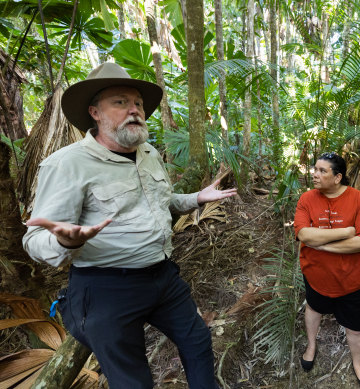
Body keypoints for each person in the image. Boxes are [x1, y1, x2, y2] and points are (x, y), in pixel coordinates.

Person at [23, 62, 237, 389]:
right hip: (106, 288)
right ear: (95, 112)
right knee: (131, 381)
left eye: (137, 102)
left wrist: (196, 198)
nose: (134, 110)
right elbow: (34, 240)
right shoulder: (67, 165)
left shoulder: (148, 152)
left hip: (162, 277)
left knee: (197, 342)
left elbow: (160, 201)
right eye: (120, 102)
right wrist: (65, 242)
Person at [294, 152, 360, 389]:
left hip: (354, 280)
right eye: (315, 169)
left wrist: (320, 244)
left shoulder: (359, 200)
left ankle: (358, 363)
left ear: (338, 177)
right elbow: (304, 234)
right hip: (316, 276)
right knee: (313, 307)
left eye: (322, 171)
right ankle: (311, 345)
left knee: (357, 328)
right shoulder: (307, 199)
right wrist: (346, 232)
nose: (315, 174)